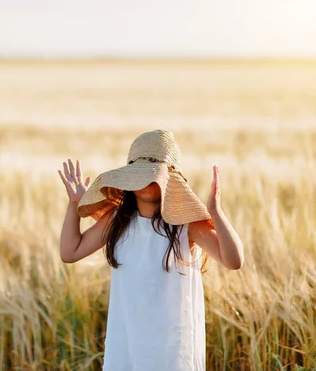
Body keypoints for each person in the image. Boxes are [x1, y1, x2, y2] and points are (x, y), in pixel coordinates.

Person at [57, 129, 244, 371]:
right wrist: (75, 206)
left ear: (171, 180)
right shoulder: (117, 221)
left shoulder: (186, 226)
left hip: (172, 352)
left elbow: (234, 260)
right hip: (125, 346)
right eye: (139, 173)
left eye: (152, 173)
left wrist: (215, 213)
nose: (145, 180)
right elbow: (70, 252)